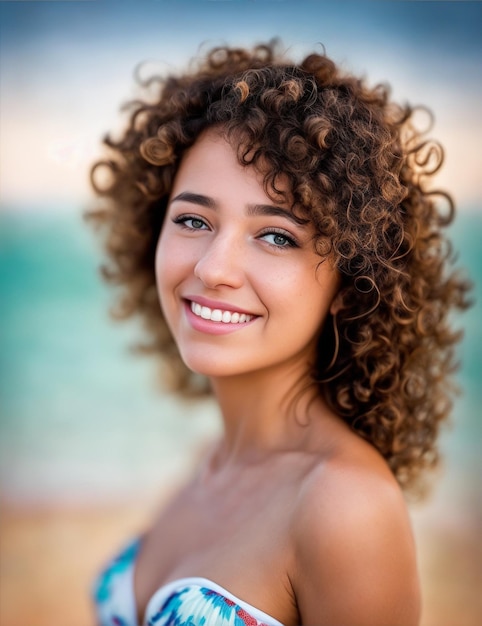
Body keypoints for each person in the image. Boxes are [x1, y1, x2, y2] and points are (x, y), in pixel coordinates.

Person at [88, 41, 471, 626]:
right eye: (193, 220)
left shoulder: (344, 504)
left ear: (350, 281)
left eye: (277, 236)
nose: (213, 268)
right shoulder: (211, 462)